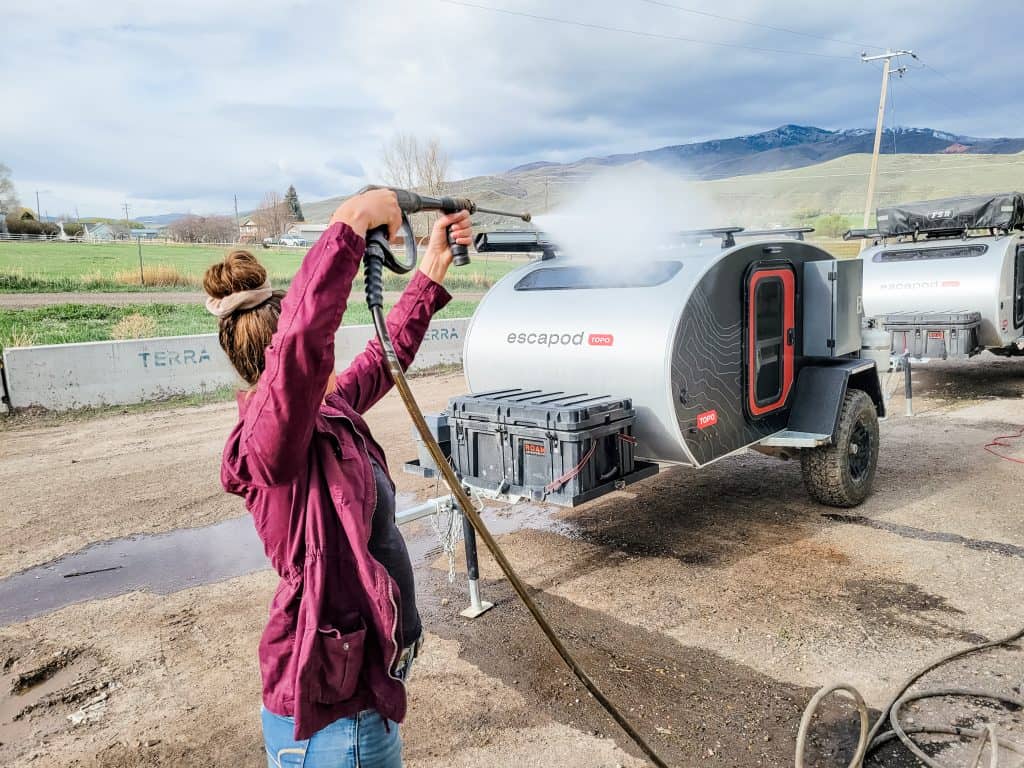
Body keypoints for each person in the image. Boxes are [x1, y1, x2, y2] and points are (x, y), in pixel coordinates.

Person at [204, 188, 472, 768]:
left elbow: (385, 356)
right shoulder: (271, 442)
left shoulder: (328, 412)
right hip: (335, 725)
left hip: (357, 700)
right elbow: (300, 345)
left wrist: (431, 266)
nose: (331, 355)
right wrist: (350, 224)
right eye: (321, 351)